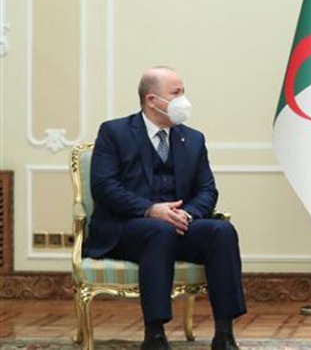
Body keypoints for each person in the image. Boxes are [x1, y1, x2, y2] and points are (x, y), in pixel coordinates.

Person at [86, 66, 247, 350]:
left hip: (179, 224)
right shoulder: (114, 132)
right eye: (176, 93)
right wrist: (150, 209)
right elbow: (104, 187)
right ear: (152, 100)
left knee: (222, 231)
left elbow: (207, 190)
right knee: (159, 231)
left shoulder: (193, 139)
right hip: (127, 229)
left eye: (183, 92)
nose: (183, 100)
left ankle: (224, 333)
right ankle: (155, 334)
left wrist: (187, 214)